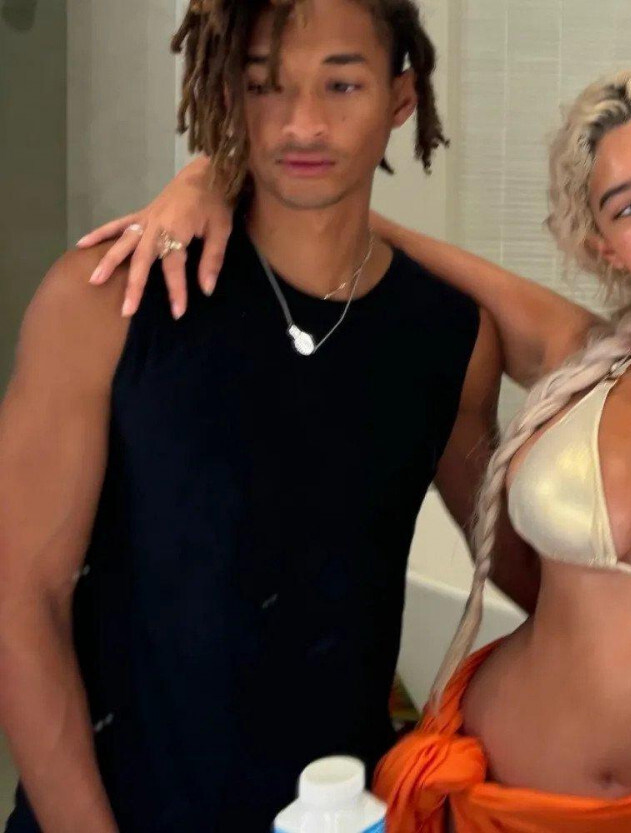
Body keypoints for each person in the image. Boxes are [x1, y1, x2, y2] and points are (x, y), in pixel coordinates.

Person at [0, 1, 598, 831]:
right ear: (229, 96)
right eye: (265, 85)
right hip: (119, 808)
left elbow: (523, 570)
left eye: (341, 85)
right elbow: (19, 595)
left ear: (401, 99)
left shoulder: (448, 334)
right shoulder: (111, 298)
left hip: (336, 808)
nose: (302, 123)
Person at [370, 72, 631, 832]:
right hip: (482, 791)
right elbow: (380, 242)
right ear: (606, 245)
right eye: (630, 206)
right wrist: (215, 181)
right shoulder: (586, 355)